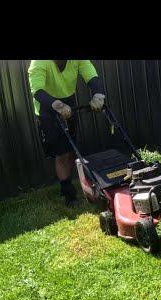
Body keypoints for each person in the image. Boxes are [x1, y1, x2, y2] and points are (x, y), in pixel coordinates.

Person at [28, 60, 106, 206]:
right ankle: (68, 193)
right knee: (61, 153)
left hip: (68, 102)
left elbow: (90, 74)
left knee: (70, 149)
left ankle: (68, 182)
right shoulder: (39, 62)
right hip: (47, 105)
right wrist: (57, 105)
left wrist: (98, 93)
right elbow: (37, 90)